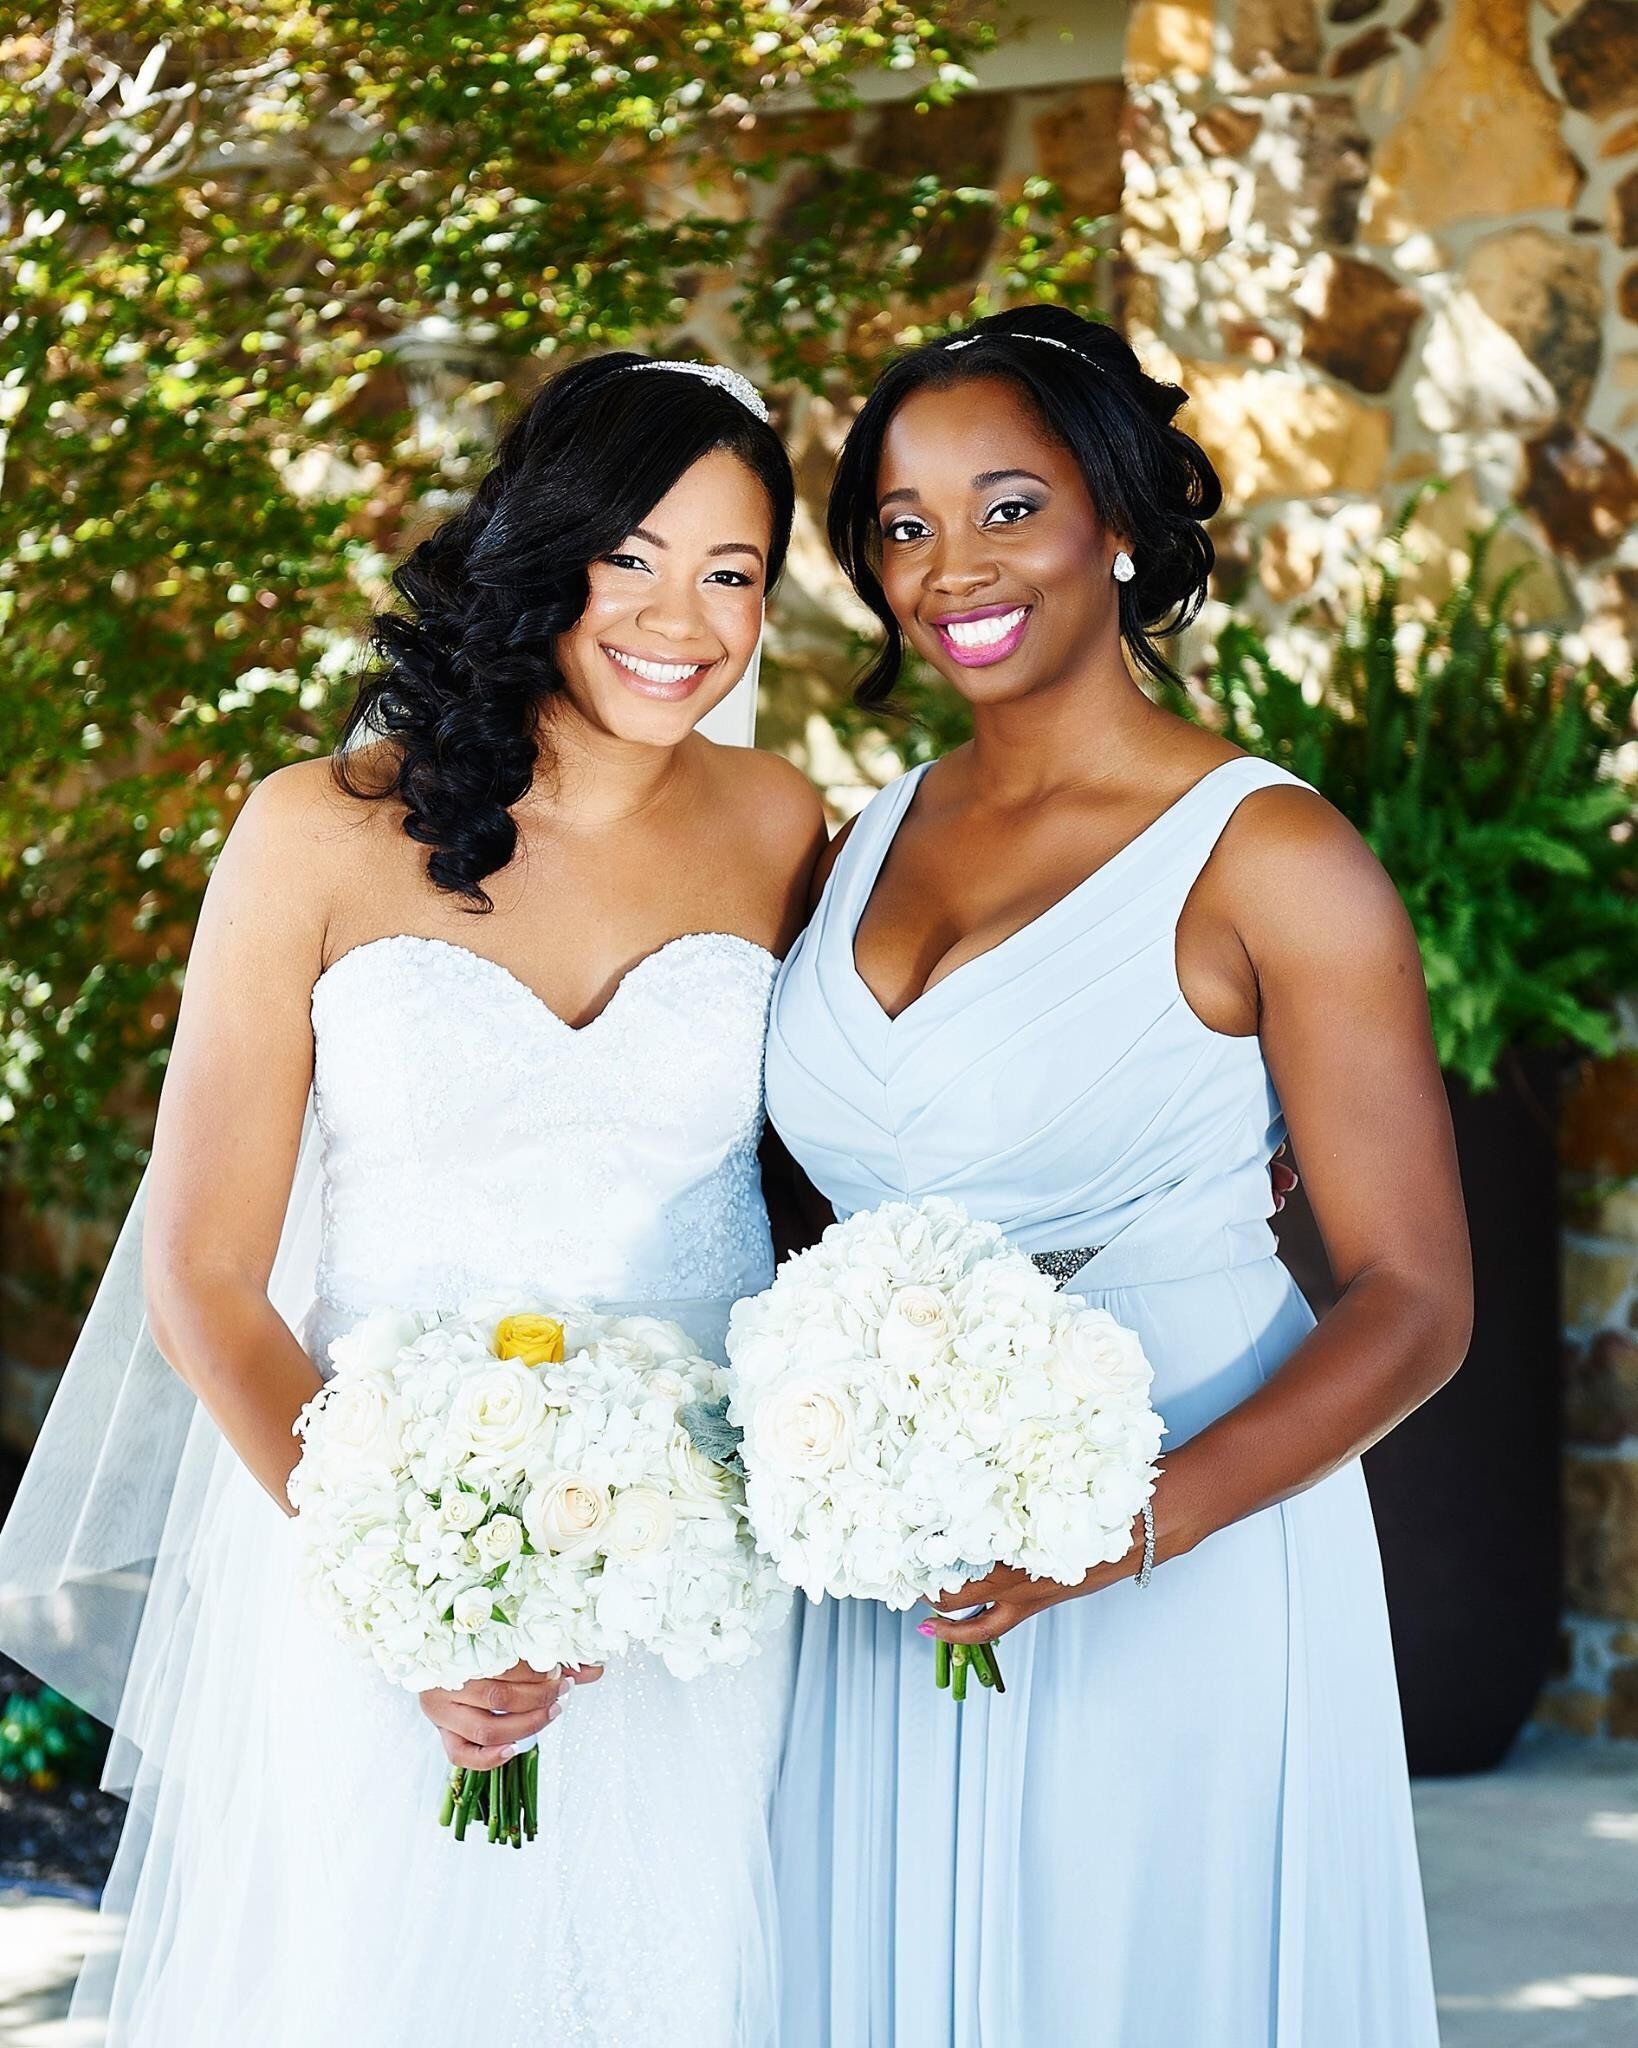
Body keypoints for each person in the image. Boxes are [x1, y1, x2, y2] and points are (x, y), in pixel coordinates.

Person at [0, 352, 825, 2046]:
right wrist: (413, 1595)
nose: (685, 617)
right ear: (542, 555)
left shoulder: (784, 825)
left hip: (697, 1575)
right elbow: (208, 1274)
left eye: (733, 573)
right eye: (636, 558)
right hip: (377, 1563)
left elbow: (864, 1137)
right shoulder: (312, 834)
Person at [766, 305, 1472, 2047]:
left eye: (1008, 505)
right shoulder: (855, 839)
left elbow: (1414, 1301)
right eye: (904, 526)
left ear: (1124, 521)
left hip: (1185, 1544)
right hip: (888, 1555)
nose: (949, 569)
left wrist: (1125, 1530)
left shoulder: (1272, 855)